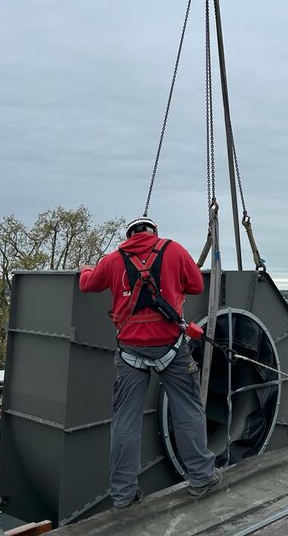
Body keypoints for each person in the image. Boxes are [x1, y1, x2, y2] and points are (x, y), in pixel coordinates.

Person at [79, 216, 222, 508]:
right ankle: (201, 477)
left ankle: (123, 495)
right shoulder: (174, 249)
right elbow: (195, 285)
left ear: (130, 234)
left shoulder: (114, 259)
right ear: (153, 231)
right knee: (187, 411)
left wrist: (85, 270)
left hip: (131, 351)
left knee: (125, 421)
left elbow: (88, 285)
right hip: (172, 347)